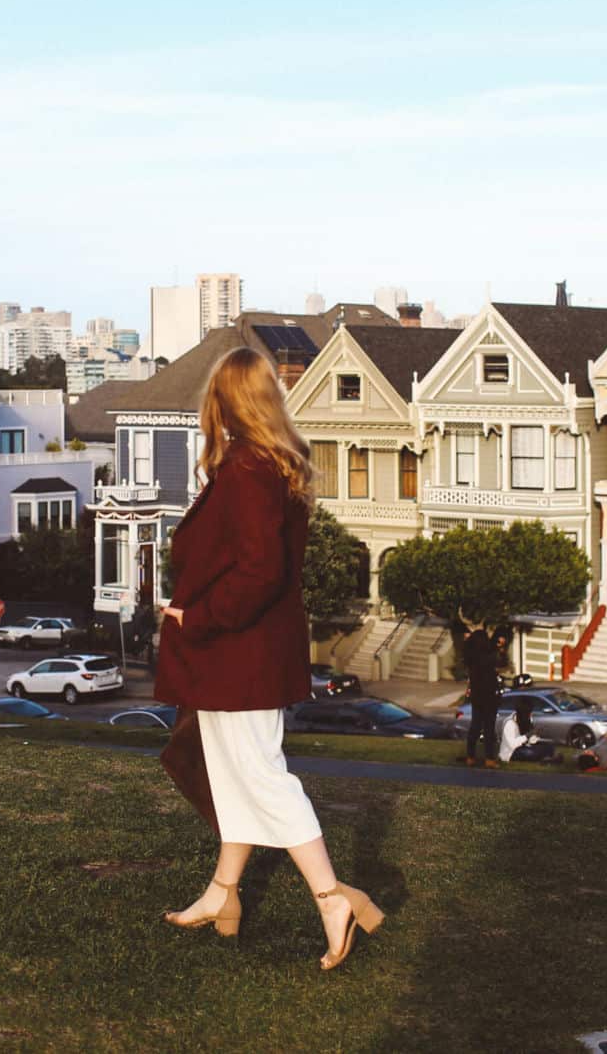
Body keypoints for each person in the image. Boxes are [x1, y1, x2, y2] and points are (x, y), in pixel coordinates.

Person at [155, 347, 384, 971]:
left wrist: (198, 618)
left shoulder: (250, 469)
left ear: (224, 401)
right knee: (236, 774)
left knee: (261, 776)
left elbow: (259, 572)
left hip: (238, 652)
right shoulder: (272, 463)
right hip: (245, 652)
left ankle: (333, 898)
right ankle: (222, 896)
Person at [457, 621, 504, 768]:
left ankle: (471, 756)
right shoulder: (489, 657)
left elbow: (467, 647)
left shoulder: (471, 659)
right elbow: (497, 657)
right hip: (489, 695)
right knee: (489, 728)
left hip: (477, 696)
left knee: (475, 725)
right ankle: (489, 758)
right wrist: (499, 647)